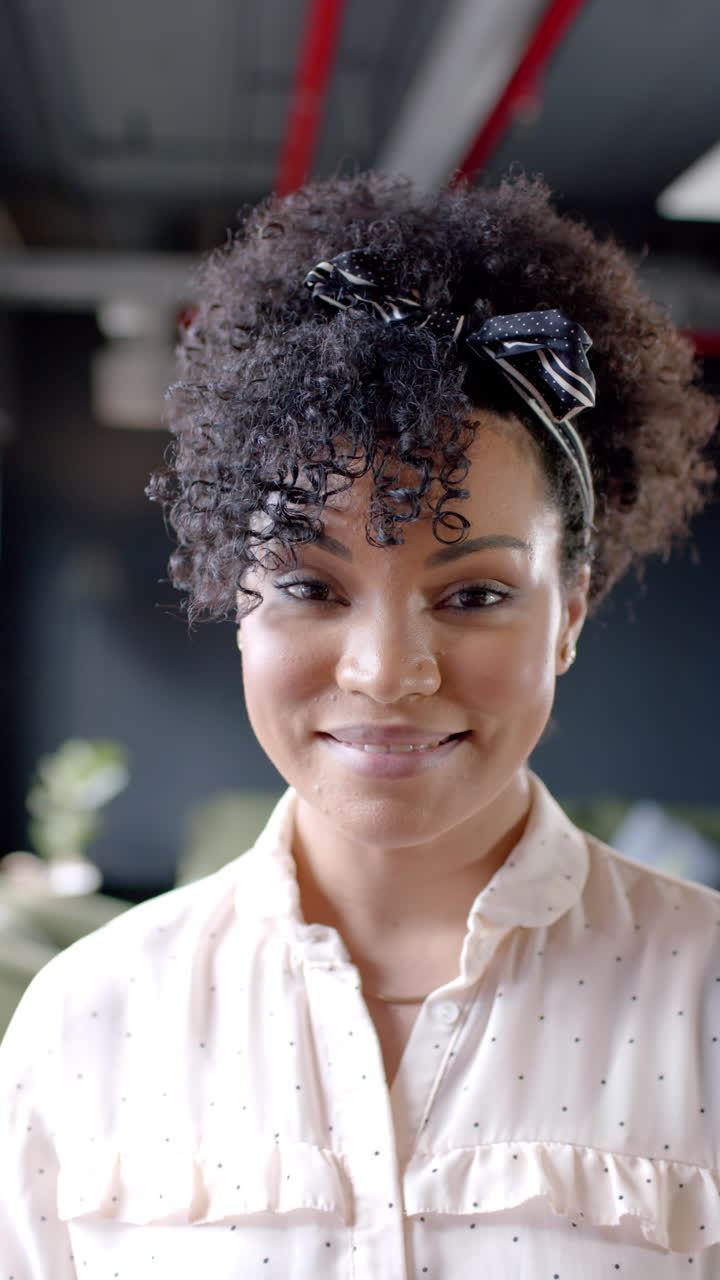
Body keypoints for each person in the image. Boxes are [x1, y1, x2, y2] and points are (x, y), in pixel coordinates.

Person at [1, 171, 718, 1277]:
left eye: (474, 593)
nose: (388, 673)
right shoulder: (86, 1021)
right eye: (309, 585)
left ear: (568, 614)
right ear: (235, 598)